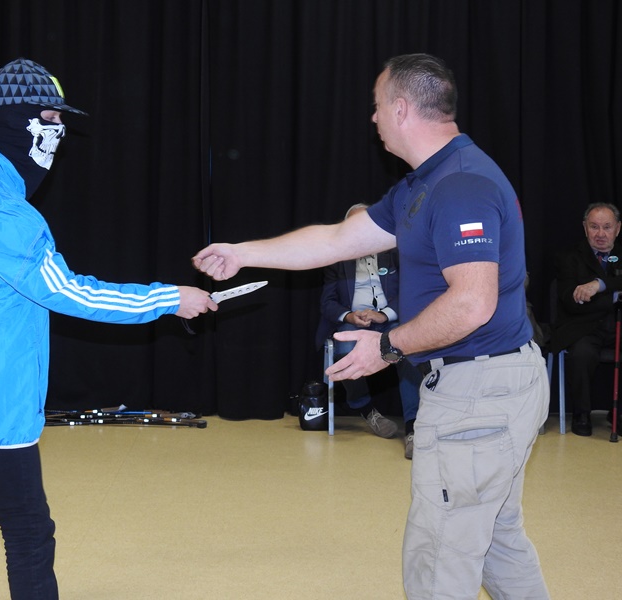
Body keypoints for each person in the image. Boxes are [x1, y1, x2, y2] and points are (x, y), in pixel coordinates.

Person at [193, 53, 549, 599]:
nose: (374, 118)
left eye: (378, 106)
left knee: (440, 558)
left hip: (481, 392)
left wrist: (387, 346)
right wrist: (243, 253)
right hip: (483, 385)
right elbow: (339, 239)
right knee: (497, 543)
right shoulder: (423, 183)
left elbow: (471, 303)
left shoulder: (460, 184)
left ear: (402, 108)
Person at [0, 58, 217, 600]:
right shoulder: (1, 210)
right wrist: (169, 299)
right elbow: (67, 292)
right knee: (29, 534)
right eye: (51, 117)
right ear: (17, 118)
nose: (59, 131)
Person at [316, 203, 421, 458]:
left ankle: (412, 427)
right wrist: (349, 315)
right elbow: (328, 302)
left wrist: (384, 314)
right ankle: (366, 409)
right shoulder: (337, 259)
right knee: (344, 347)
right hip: (354, 320)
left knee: (406, 348)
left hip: (390, 318)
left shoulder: (395, 252)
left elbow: (410, 291)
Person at [551, 202, 622, 436]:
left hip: (617, 326)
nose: (600, 234)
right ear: (584, 228)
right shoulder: (568, 257)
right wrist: (614, 296)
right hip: (583, 328)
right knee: (581, 354)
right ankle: (581, 413)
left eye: (607, 227)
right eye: (594, 227)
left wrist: (598, 285)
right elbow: (571, 302)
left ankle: (618, 413)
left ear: (618, 228)